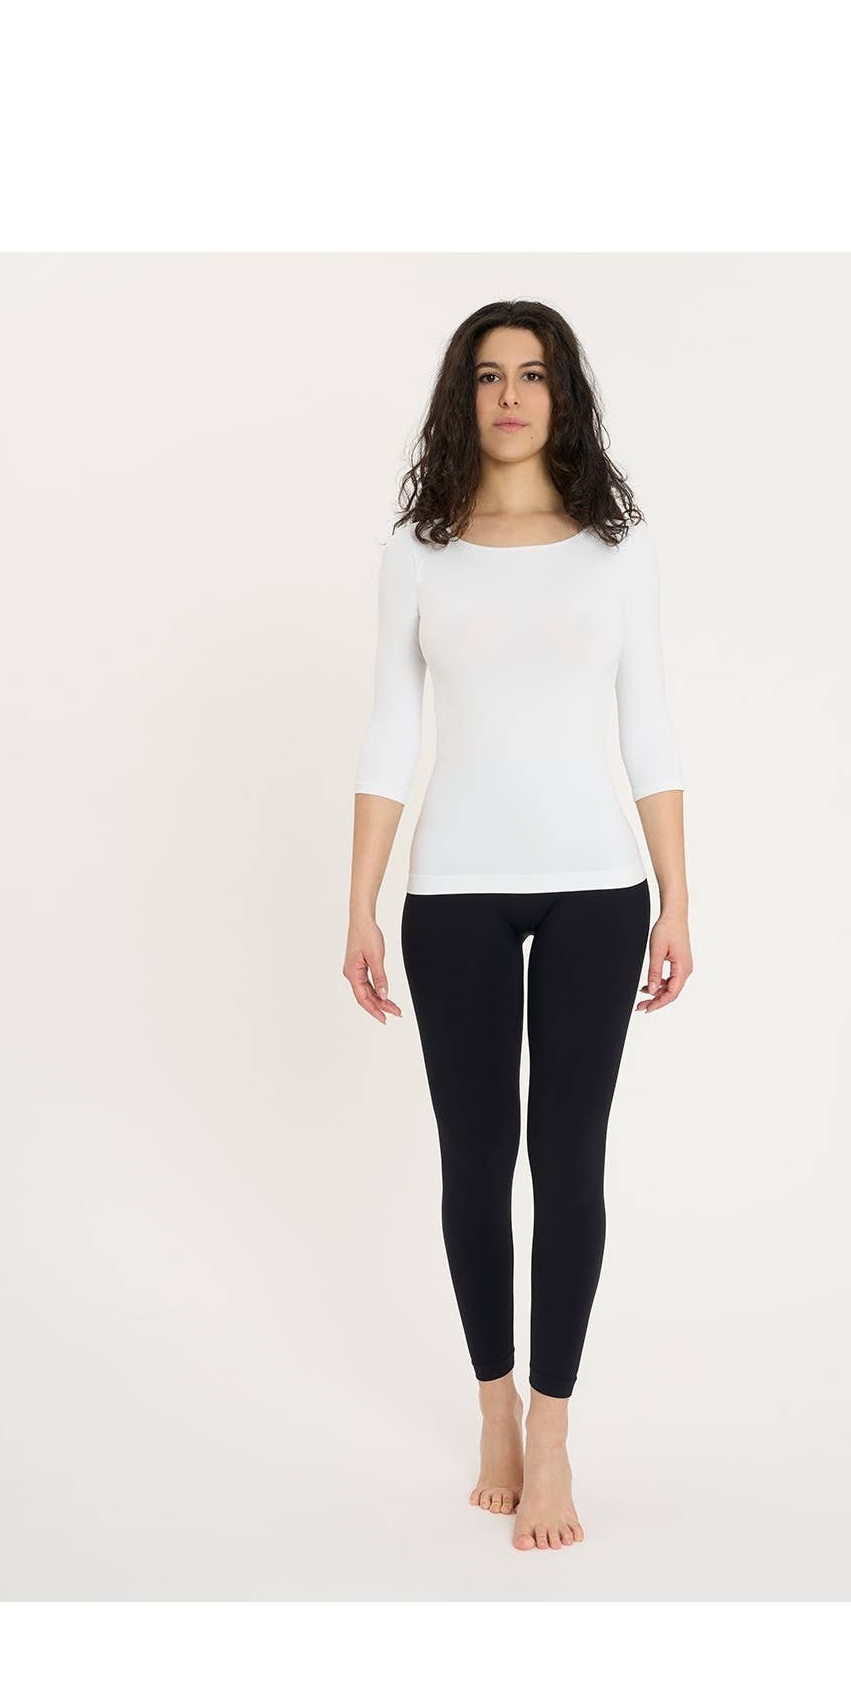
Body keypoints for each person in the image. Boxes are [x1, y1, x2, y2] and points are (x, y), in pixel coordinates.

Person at [344, 300, 692, 1552]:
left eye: (533, 374)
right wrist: (360, 901)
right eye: (489, 375)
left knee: (570, 1161)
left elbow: (648, 723)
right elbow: (392, 726)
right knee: (476, 1161)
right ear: (464, 397)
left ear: (563, 396)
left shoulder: (617, 550)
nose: (510, 395)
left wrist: (678, 896)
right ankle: (493, 1408)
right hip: (453, 892)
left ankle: (552, 1434)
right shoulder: (421, 550)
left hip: (598, 887)